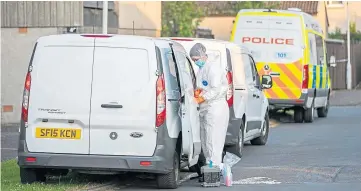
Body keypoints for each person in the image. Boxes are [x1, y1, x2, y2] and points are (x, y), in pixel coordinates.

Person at [190, 43, 230, 168]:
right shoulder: (203, 68)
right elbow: (203, 86)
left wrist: (203, 97)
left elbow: (216, 89)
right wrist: (198, 92)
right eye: (193, 60)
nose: (195, 62)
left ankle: (214, 167)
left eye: (196, 59)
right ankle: (210, 166)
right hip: (206, 108)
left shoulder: (213, 68)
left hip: (215, 108)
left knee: (213, 139)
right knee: (206, 139)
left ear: (202, 56)